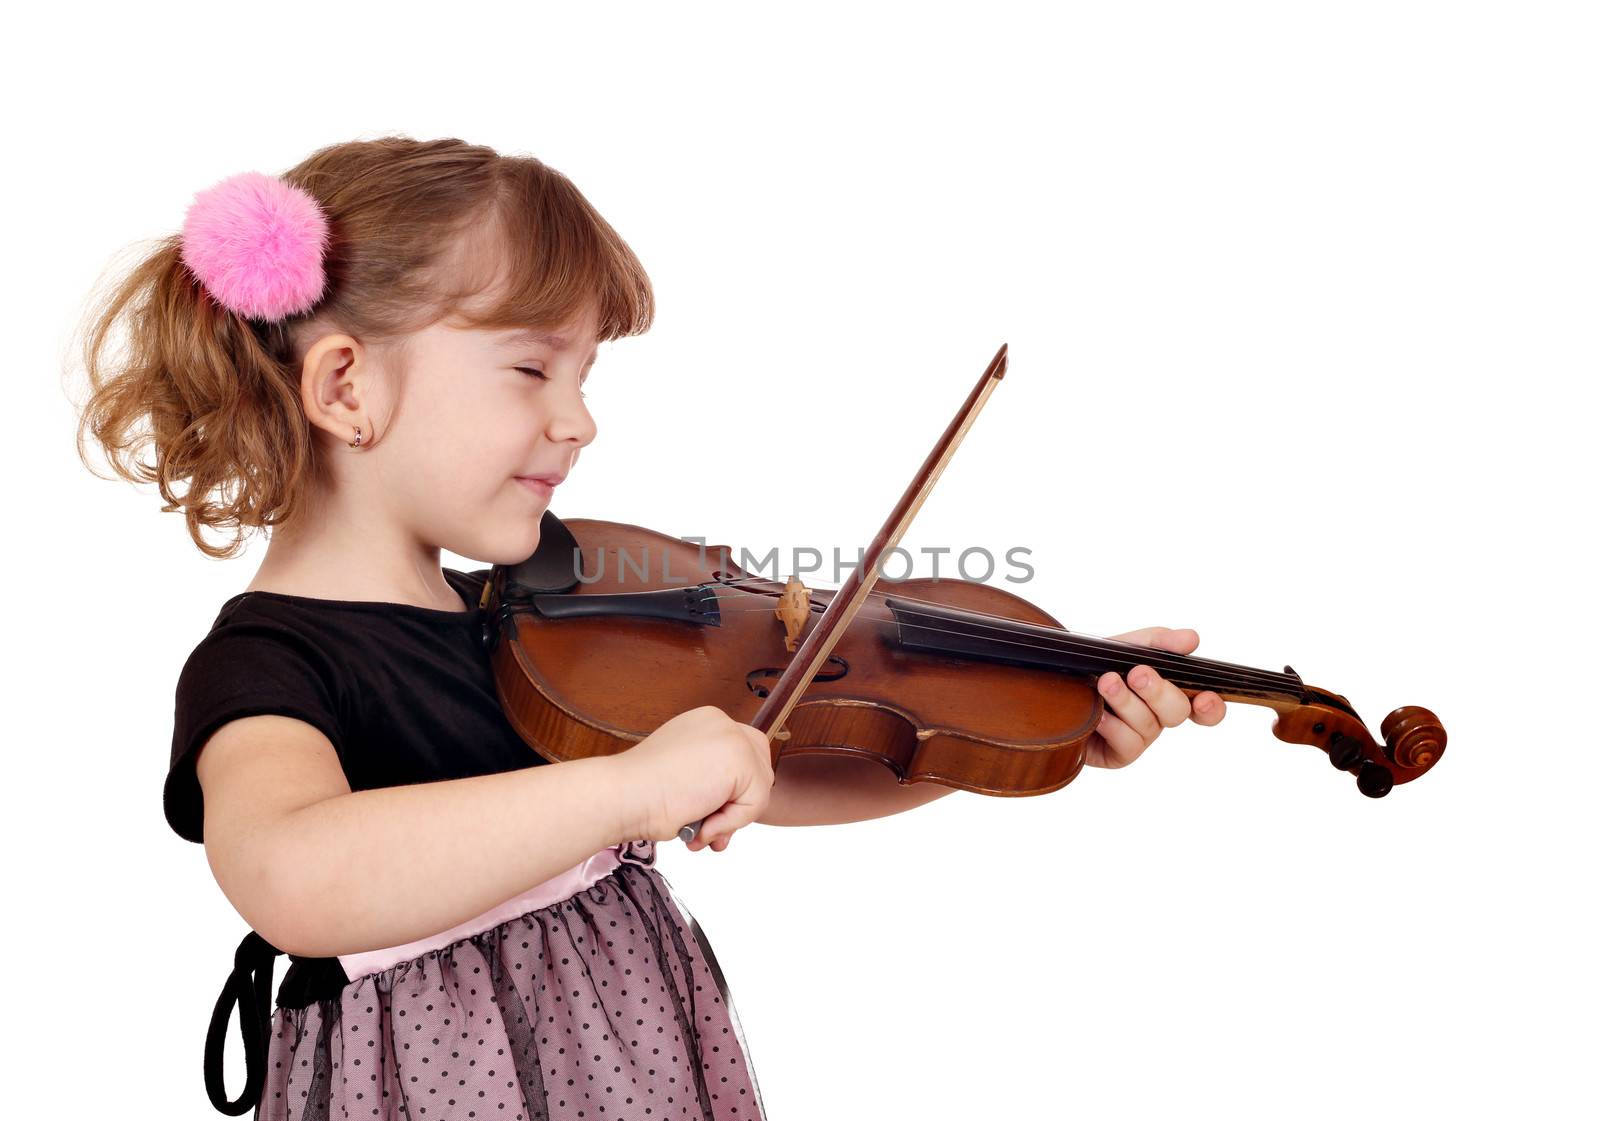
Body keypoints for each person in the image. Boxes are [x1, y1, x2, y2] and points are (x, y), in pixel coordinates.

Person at [70, 135, 1226, 1121]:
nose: (577, 421)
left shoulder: (530, 623)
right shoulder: (273, 659)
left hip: (633, 1060)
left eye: (583, 374)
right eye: (531, 366)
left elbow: (781, 762)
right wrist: (633, 788)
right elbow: (294, 875)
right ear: (344, 388)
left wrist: (1032, 724)